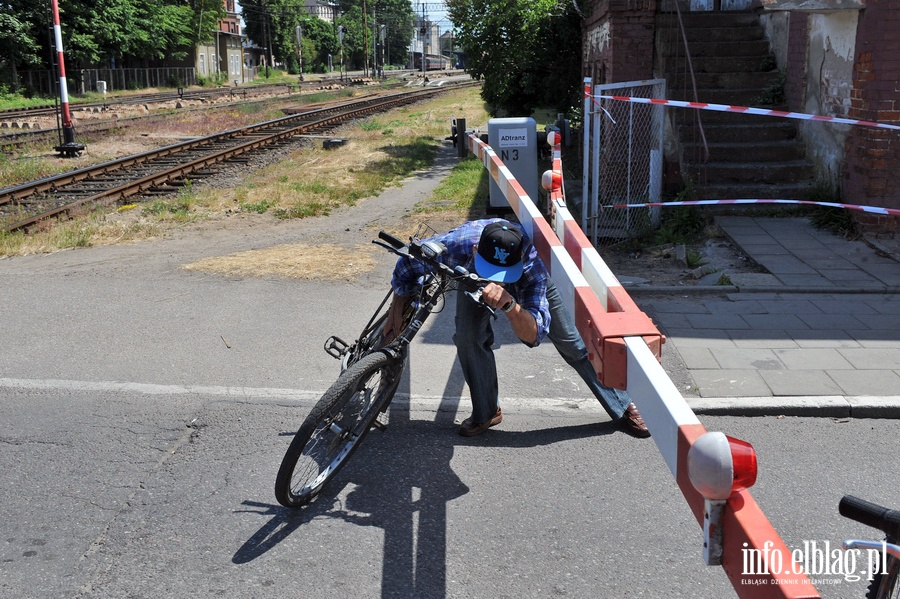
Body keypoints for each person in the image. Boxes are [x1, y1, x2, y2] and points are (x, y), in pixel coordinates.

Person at [384, 218, 649, 438]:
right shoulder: (457, 244)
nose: (496, 282)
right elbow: (407, 263)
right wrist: (395, 315)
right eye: (491, 271)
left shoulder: (532, 267)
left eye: (502, 276)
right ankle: (487, 412)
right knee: (467, 338)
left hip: (521, 282)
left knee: (572, 344)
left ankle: (623, 402)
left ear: (520, 259)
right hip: (471, 277)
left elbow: (533, 336)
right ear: (476, 251)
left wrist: (510, 306)